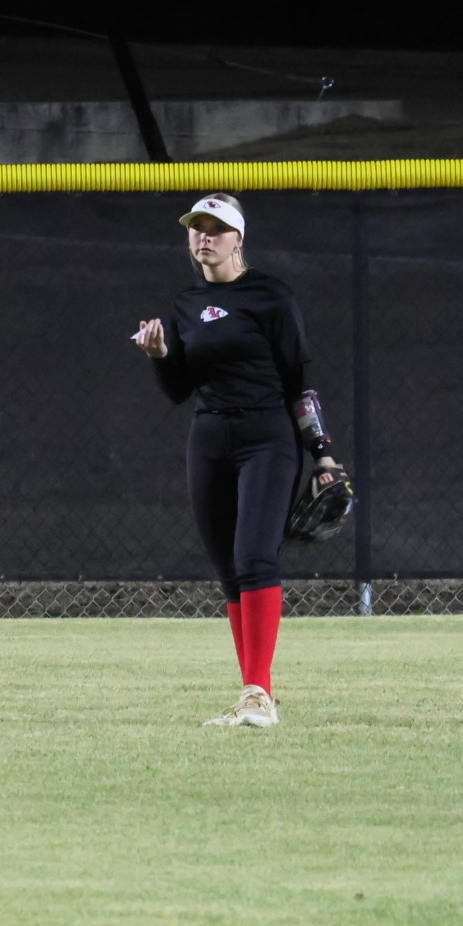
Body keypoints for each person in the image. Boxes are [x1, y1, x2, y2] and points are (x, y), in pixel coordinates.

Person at [132, 193, 344, 728]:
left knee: (254, 557)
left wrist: (322, 455)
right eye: (196, 227)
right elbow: (178, 390)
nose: (204, 236)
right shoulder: (185, 305)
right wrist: (160, 356)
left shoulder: (270, 295)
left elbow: (299, 383)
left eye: (216, 227)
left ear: (238, 239)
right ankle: (253, 693)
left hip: (266, 436)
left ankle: (259, 694)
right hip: (209, 438)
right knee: (229, 569)